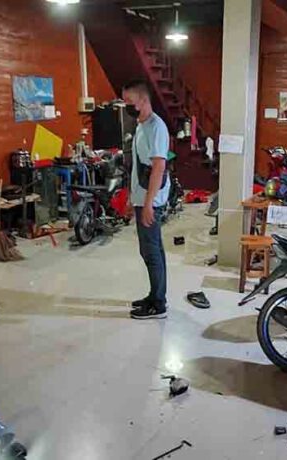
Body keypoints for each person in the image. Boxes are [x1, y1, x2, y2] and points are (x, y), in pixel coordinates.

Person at [122, 80, 171, 320]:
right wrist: (133, 199)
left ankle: (158, 304)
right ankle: (155, 295)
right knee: (152, 250)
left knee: (151, 252)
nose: (126, 106)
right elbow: (138, 167)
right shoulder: (141, 126)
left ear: (143, 100)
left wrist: (149, 203)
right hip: (142, 196)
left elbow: (158, 167)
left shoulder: (156, 127)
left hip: (152, 199)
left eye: (129, 102)